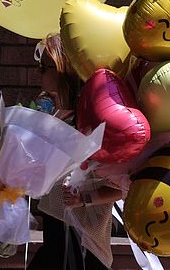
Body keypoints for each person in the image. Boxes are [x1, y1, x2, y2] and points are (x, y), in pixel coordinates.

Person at [27, 33, 123, 270]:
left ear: (63, 70)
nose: (39, 71)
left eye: (45, 66)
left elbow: (120, 187)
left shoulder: (92, 122)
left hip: (84, 244)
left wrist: (84, 199)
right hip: (55, 232)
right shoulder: (53, 116)